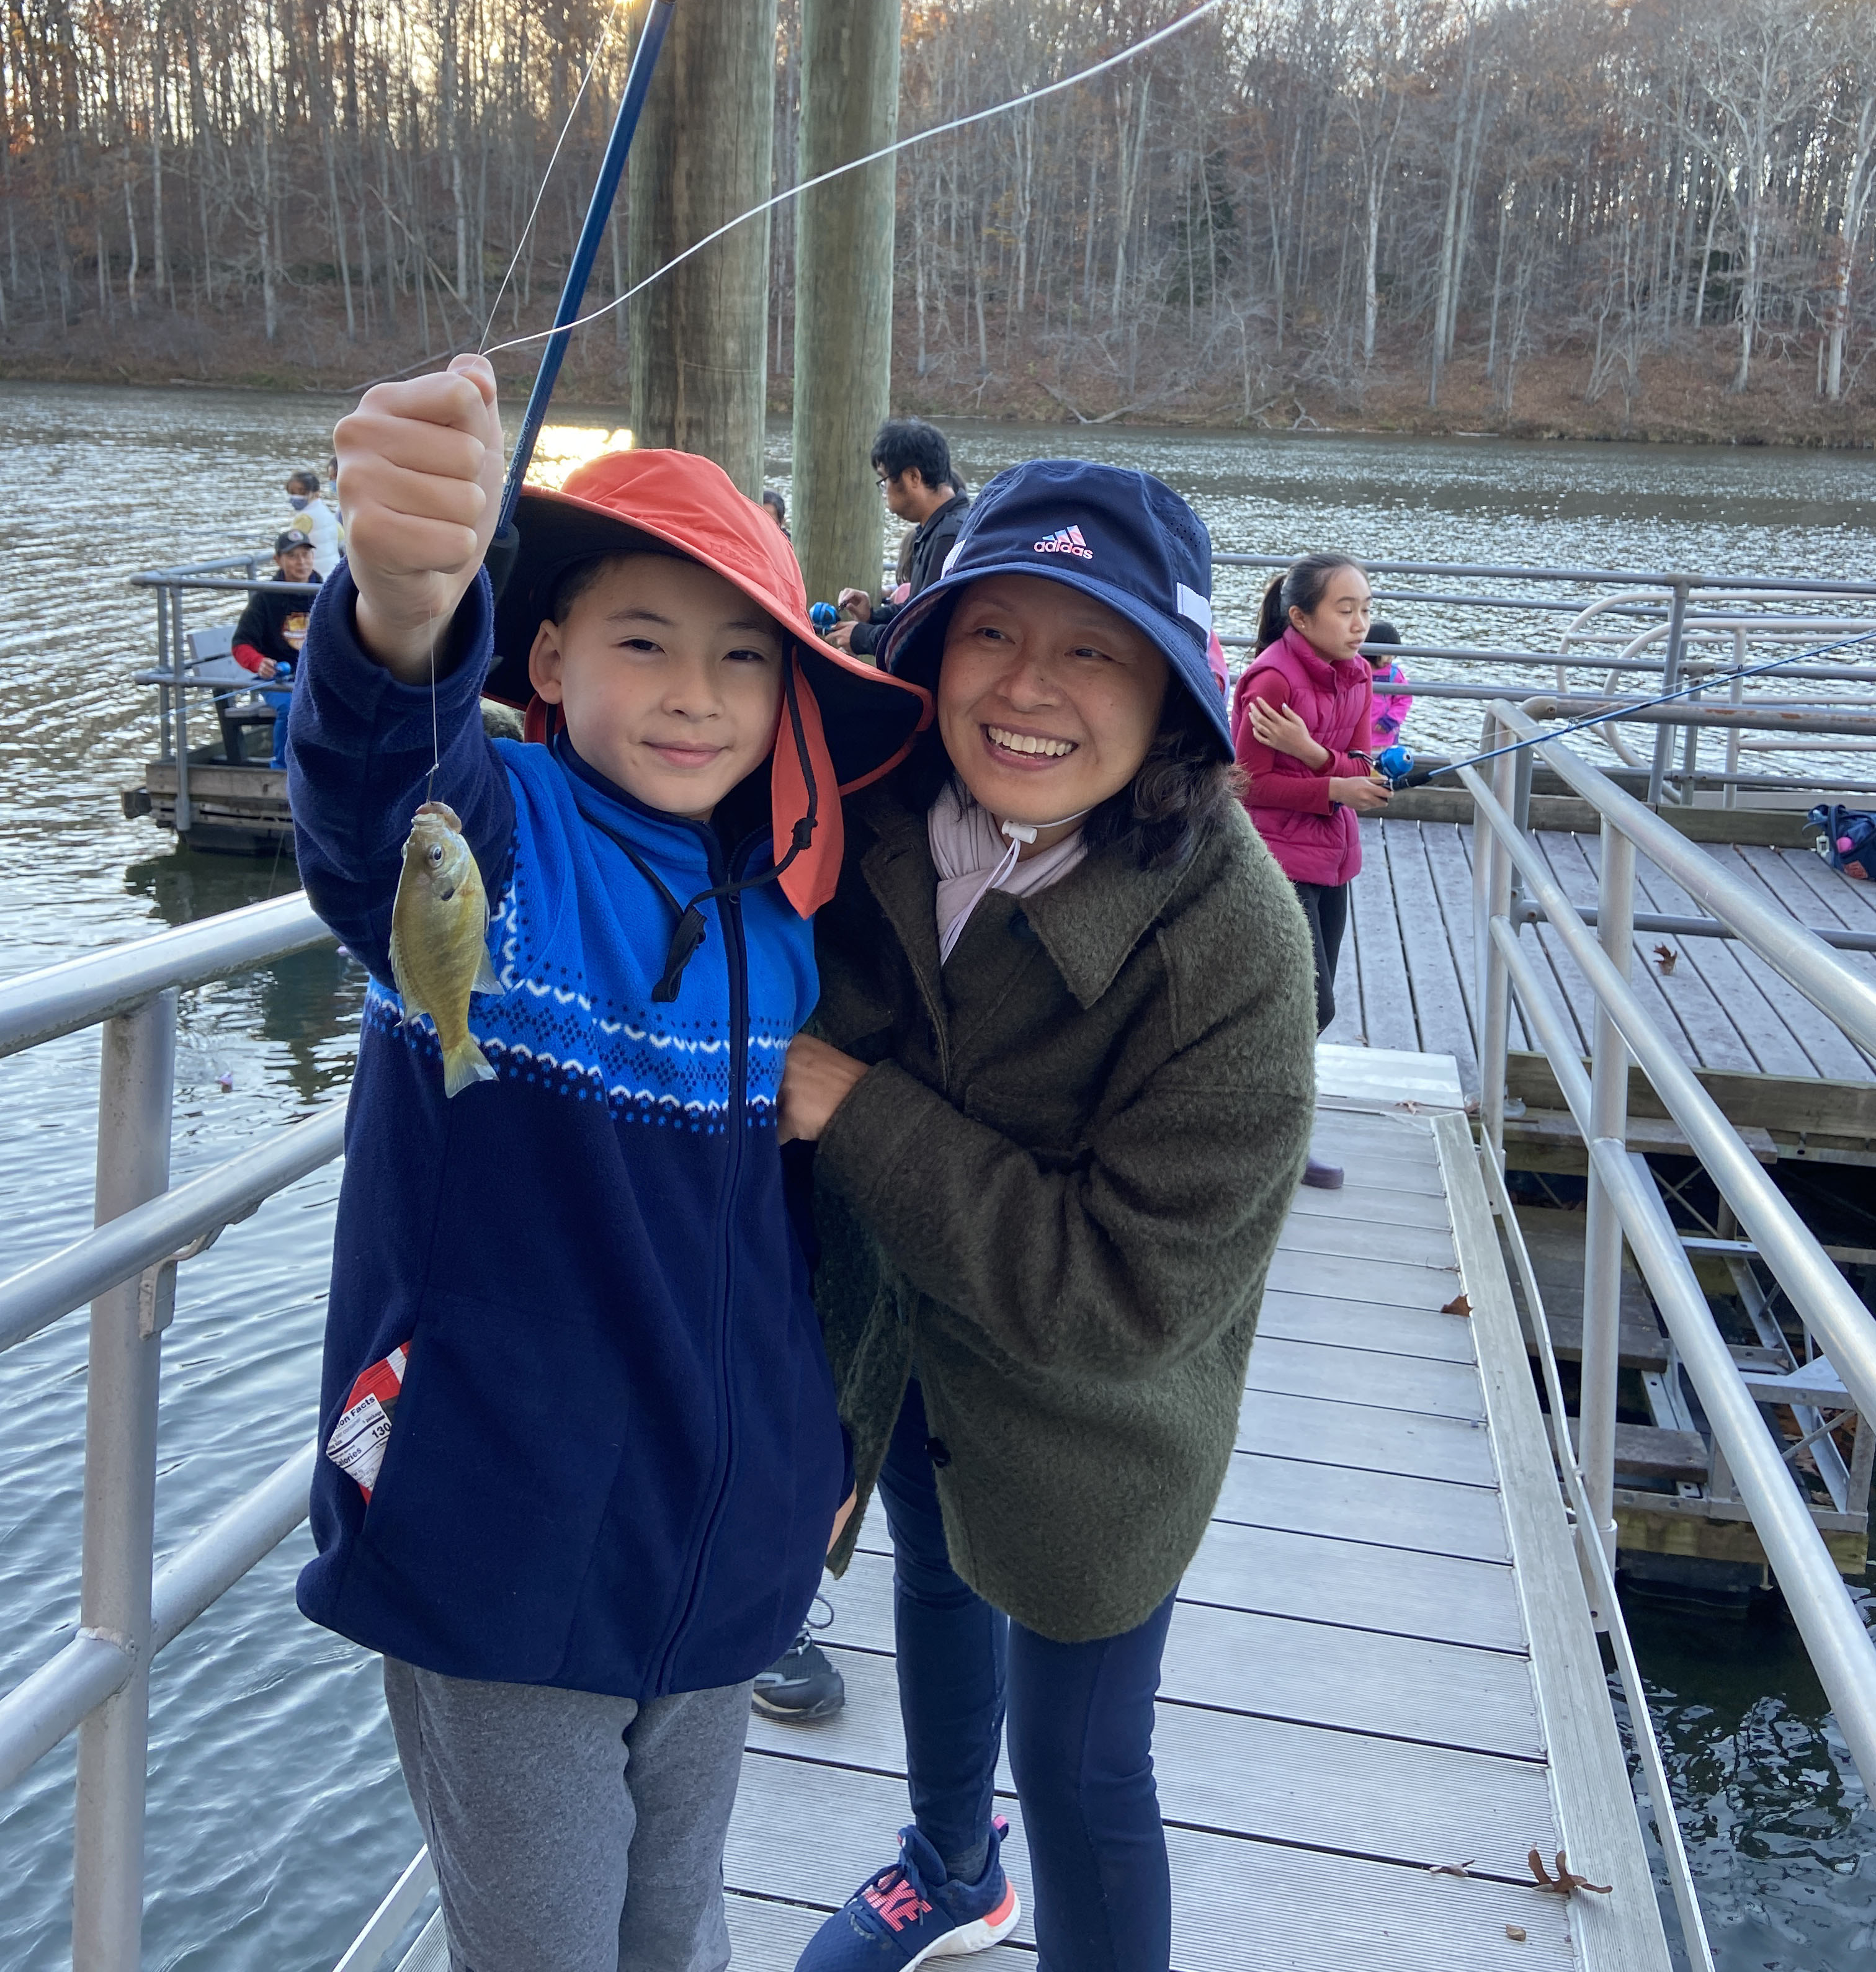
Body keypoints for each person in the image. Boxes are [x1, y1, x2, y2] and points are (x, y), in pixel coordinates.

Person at [286, 353, 929, 1972]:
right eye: (643, 642)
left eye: (740, 660)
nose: (696, 693)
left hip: (718, 1563)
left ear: (790, 700)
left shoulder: (786, 920)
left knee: (677, 1926)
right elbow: (380, 801)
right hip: (500, 1546)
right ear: (548, 656)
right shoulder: (491, 840)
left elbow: (792, 1239)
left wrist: (809, 1458)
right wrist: (403, 615)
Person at [777, 460, 1316, 1972]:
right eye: (990, 633)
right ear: (927, 652)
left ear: (1173, 699)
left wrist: (855, 1107)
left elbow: (1126, 1299)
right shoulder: (855, 818)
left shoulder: (1238, 948)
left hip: (1102, 1432)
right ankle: (951, 1864)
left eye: (1094, 648)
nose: (1030, 689)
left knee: (1084, 1767)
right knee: (935, 1569)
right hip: (893, 1356)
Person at [1232, 552, 1390, 1053]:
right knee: (1310, 1005)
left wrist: (1312, 754)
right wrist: (1334, 789)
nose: (1360, 624)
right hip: (1275, 861)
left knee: (1305, 1005)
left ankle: (1264, 1094)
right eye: (1345, 610)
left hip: (1334, 861)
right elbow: (1245, 785)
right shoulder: (1272, 680)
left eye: (1365, 609)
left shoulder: (1359, 674)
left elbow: (1364, 767)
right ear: (1300, 617)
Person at [829, 419, 969, 656]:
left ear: (913, 477)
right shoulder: (935, 528)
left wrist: (863, 637)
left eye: (884, 480)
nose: (884, 492)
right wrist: (872, 616)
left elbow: (928, 632)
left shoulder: (951, 535)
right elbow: (917, 609)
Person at [233, 531, 321, 764]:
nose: (302, 562)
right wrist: (259, 663)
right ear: (278, 560)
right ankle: (282, 768)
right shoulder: (265, 598)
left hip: (317, 677)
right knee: (291, 707)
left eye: (306, 554)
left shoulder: (328, 592)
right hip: (279, 679)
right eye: (293, 556)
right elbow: (241, 644)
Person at [1363, 617, 1413, 749]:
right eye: (1387, 654)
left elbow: (1405, 699)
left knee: (1379, 766)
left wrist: (1391, 720)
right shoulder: (1357, 668)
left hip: (1383, 735)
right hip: (1356, 734)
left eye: (1394, 654)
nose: (1391, 658)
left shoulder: (1394, 674)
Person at [285, 466, 343, 568]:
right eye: (292, 493)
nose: (296, 497)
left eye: (301, 492)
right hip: (332, 568)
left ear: (315, 493)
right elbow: (342, 536)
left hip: (314, 571)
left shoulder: (304, 517)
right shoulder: (326, 511)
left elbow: (291, 545)